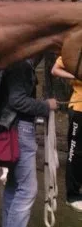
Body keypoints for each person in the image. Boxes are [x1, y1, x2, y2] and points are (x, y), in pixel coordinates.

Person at [0, 58, 58, 227]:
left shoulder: (17, 61)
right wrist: (46, 106)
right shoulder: (21, 64)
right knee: (28, 190)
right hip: (22, 129)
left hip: (16, 128)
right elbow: (17, 101)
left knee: (14, 184)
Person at [51, 56, 82, 212]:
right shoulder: (77, 50)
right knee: (75, 153)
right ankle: (73, 196)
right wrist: (76, 75)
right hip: (79, 109)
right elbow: (55, 70)